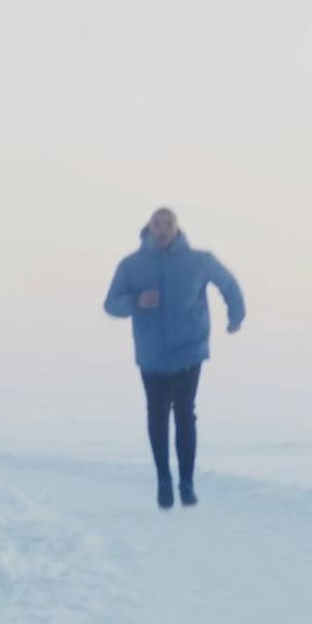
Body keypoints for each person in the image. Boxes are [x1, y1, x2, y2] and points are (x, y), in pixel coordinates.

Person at [100, 206, 245, 510]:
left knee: (184, 413)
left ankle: (187, 483)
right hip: (151, 354)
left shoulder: (199, 261)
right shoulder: (131, 265)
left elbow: (228, 285)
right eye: (158, 223)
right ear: (149, 228)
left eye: (168, 223)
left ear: (177, 228)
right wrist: (137, 301)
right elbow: (111, 304)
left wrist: (236, 316)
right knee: (157, 415)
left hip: (188, 350)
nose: (163, 228)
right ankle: (164, 480)